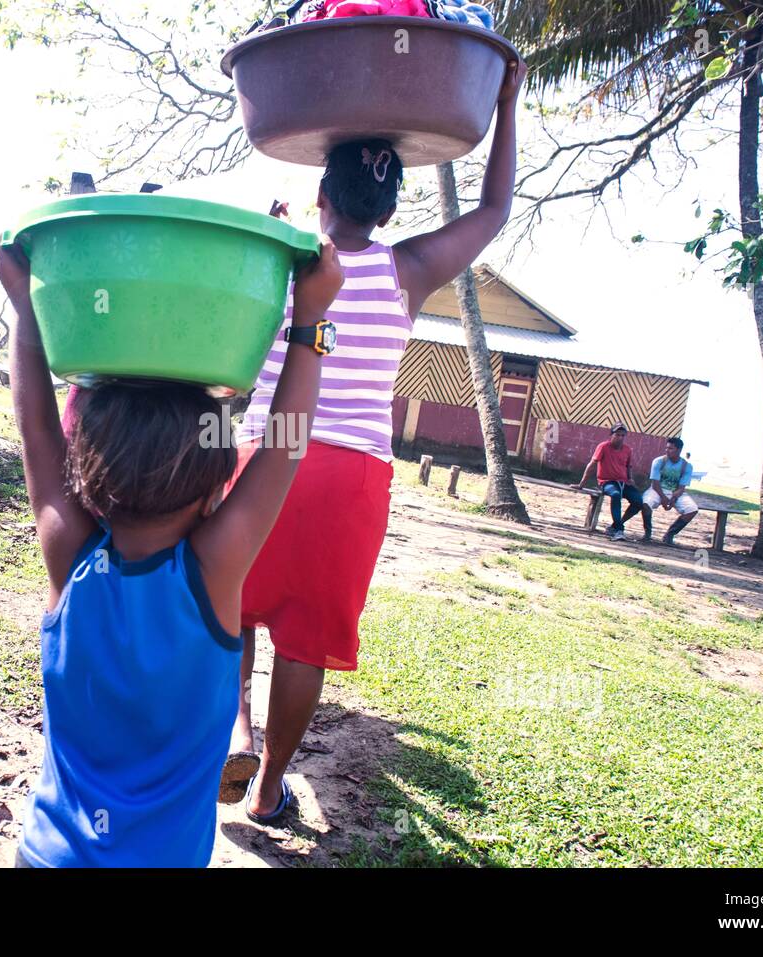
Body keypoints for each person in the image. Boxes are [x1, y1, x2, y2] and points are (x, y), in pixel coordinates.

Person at [224, 60, 527, 823]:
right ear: (389, 210)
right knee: (304, 635)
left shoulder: (279, 258)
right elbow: (494, 207)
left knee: (231, 605)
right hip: (351, 470)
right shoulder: (408, 268)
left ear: (321, 196)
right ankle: (267, 791)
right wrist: (506, 104)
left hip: (268, 447)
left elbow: (231, 362)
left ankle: (236, 731)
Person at [0, 234, 343, 867]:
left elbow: (37, 427)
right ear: (215, 491)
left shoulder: (69, 556)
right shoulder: (209, 574)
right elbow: (286, 442)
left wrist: (27, 305)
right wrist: (310, 320)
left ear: (86, 476)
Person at [572, 423, 646, 542]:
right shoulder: (603, 447)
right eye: (617, 435)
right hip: (607, 482)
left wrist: (630, 479)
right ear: (611, 435)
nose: (620, 438)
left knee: (638, 501)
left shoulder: (627, 450)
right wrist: (582, 484)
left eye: (623, 435)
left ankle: (616, 525)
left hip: (624, 482)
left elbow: (628, 467)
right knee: (616, 495)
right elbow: (592, 464)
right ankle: (619, 530)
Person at [642, 437, 699, 545]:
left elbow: (682, 487)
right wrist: (664, 498)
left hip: (675, 492)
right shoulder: (659, 461)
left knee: (692, 509)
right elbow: (655, 484)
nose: (667, 450)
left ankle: (670, 534)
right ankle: (647, 532)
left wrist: (673, 498)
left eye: (671, 449)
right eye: (666, 448)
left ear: (679, 450)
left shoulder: (686, 466)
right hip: (657, 490)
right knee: (646, 504)